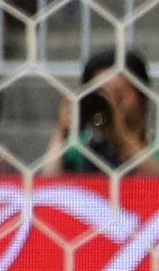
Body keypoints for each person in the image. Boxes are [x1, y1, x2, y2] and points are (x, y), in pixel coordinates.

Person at [49, 48, 159, 176]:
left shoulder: (154, 149)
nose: (112, 105)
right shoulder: (80, 149)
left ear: (143, 97)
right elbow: (47, 188)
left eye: (119, 96)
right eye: (103, 97)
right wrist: (61, 133)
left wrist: (123, 140)